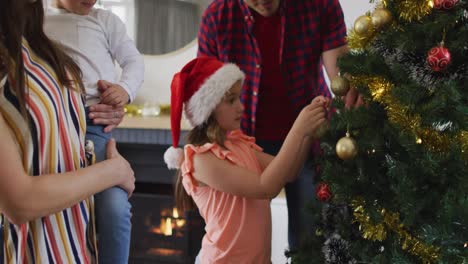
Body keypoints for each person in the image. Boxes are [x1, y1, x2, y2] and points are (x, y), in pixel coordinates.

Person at [197, 0, 362, 249]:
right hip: (244, 147)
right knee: (242, 242)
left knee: (308, 243)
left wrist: (355, 89)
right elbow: (207, 96)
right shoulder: (217, 16)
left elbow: (342, 76)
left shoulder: (320, 5)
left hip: (310, 144)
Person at [0, 0, 135, 263]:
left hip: (74, 248)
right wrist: (112, 171)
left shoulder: (39, 47)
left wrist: (106, 110)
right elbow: (19, 201)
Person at [163, 57, 329, 263]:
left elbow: (289, 172)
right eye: (231, 100)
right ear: (209, 108)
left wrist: (308, 132)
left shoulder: (240, 144)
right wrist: (299, 128)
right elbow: (265, 187)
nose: (241, 107)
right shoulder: (201, 160)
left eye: (239, 98)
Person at [43, 0, 145, 262]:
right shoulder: (36, 18)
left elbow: (134, 61)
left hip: (94, 127)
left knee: (114, 208)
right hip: (50, 128)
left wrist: (125, 90)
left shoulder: (105, 20)